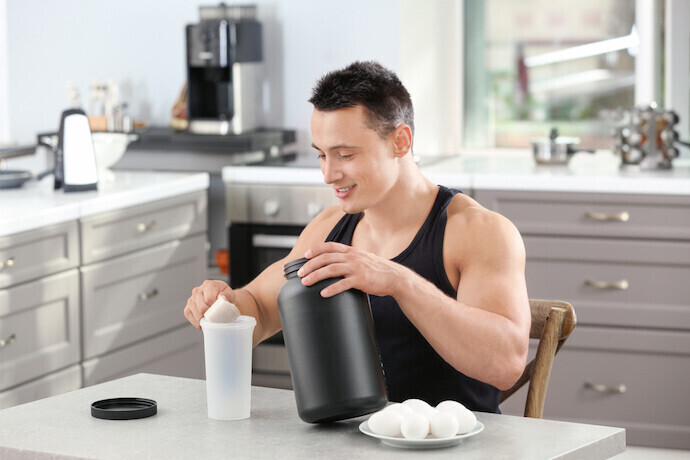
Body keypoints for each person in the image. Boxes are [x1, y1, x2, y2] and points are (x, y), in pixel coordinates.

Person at [184, 61, 530, 413]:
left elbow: (506, 365)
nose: (329, 174)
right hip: (354, 443)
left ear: (400, 141)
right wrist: (221, 306)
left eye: (345, 154)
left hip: (457, 445)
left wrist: (398, 281)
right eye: (321, 154)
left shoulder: (477, 232)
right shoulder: (328, 228)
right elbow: (257, 309)